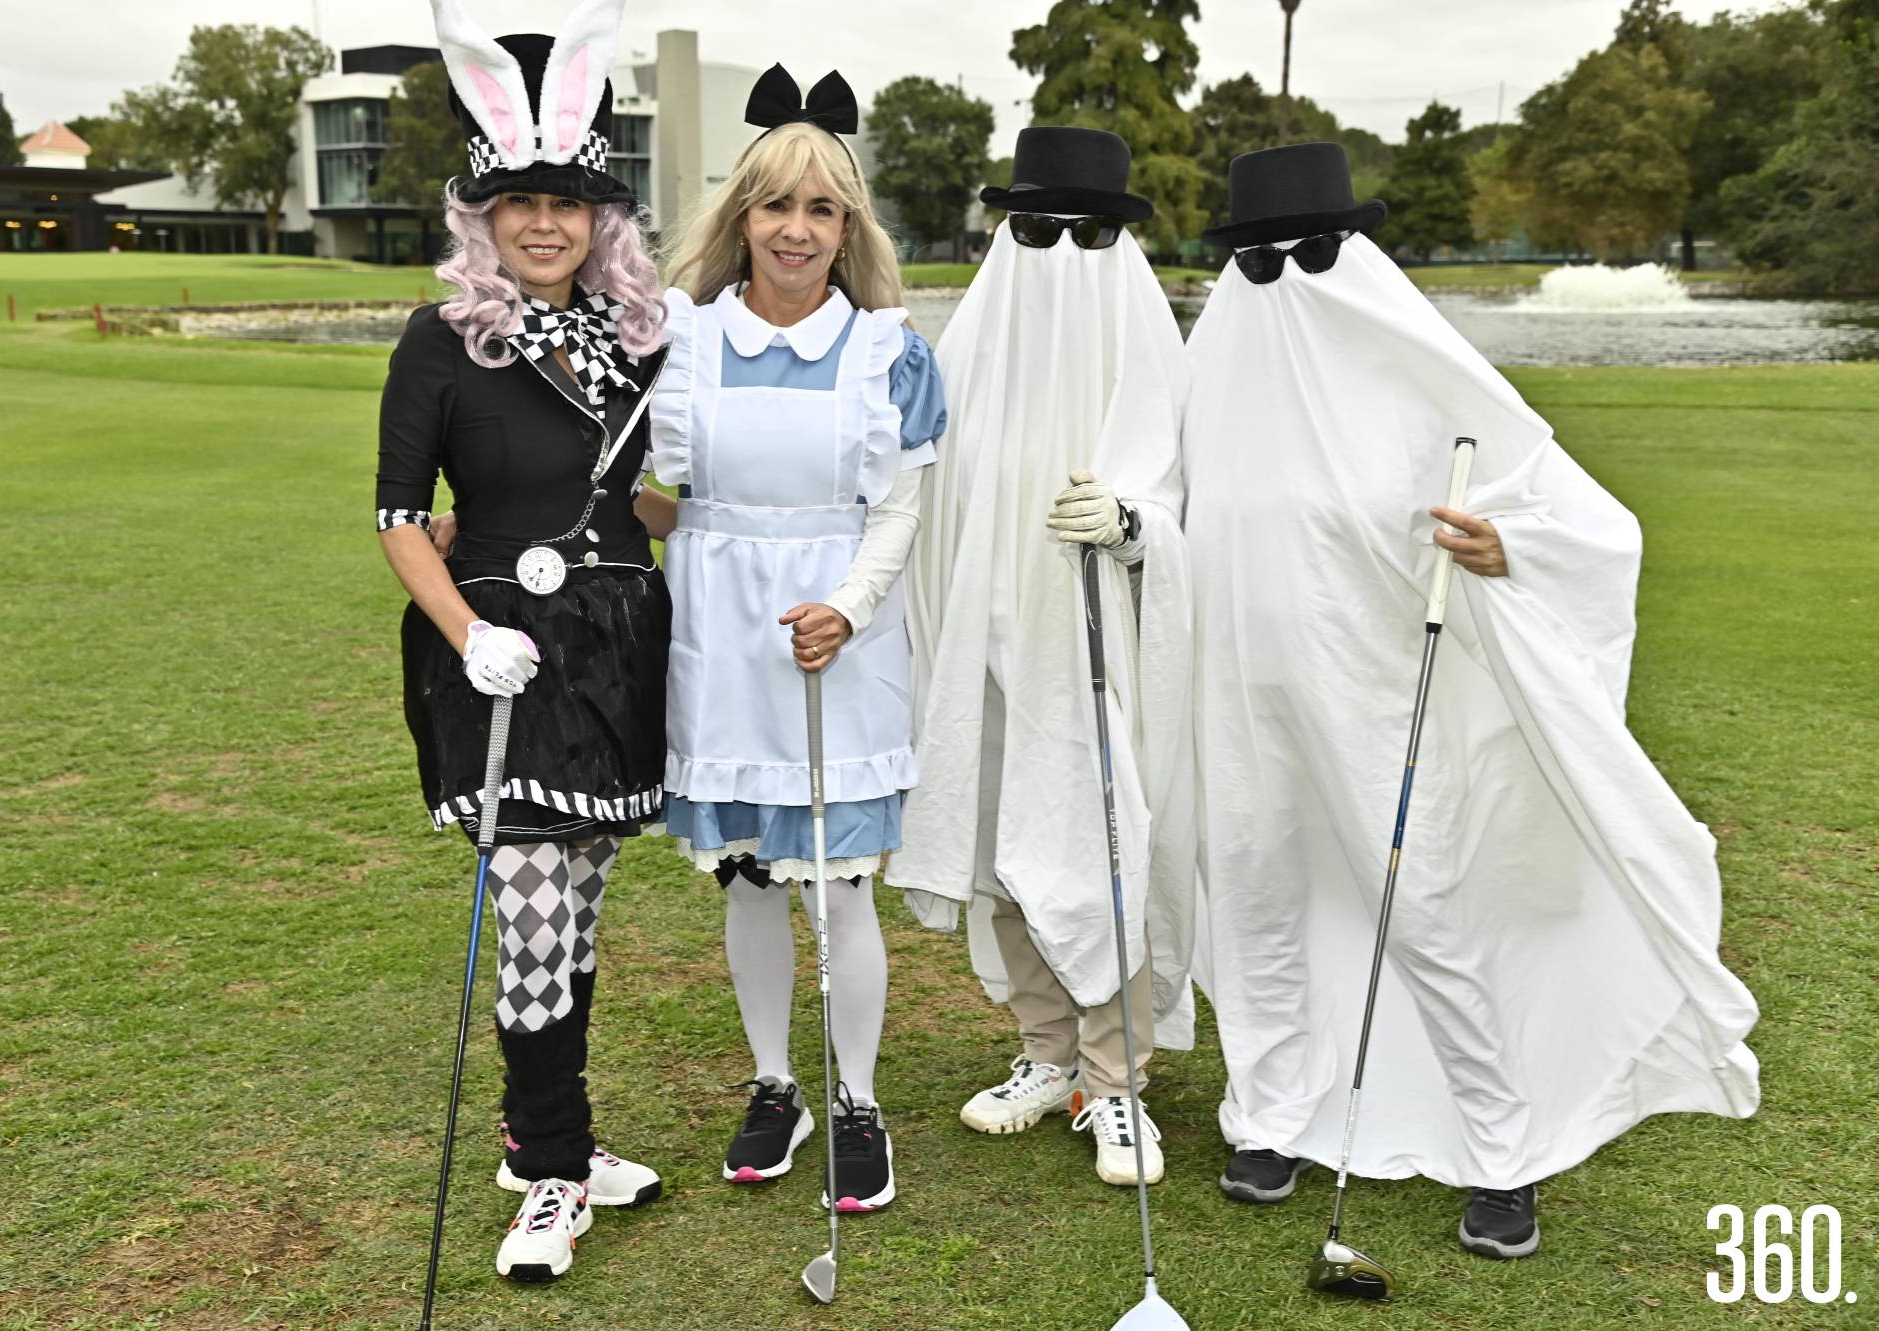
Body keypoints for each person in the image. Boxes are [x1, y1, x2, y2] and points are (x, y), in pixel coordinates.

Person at [1180, 142, 1760, 1258]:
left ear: (1348, 253)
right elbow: (1159, 503)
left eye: (1302, 252)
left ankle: (1504, 1153)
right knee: (1252, 903)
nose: (1279, 278)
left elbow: (1590, 525)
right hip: (1235, 702)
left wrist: (1510, 546)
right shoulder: (1208, 378)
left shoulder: (1418, 382)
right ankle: (1269, 1118)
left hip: (1376, 699)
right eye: (1254, 259)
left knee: (1427, 915)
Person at [376, 0, 673, 1283]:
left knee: (582, 905)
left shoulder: (635, 341)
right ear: (483, 218)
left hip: (615, 647)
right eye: (519, 203)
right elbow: (398, 519)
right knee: (533, 909)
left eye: (567, 203)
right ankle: (551, 1170)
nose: (543, 223)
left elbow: (635, 503)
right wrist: (468, 627)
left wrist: (735, 515)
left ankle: (547, 1132)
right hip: (502, 655)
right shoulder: (439, 341)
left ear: (599, 218)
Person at [650, 64, 945, 1213]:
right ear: (741, 217)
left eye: (822, 209)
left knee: (837, 885)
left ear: (846, 226)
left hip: (836, 632)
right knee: (747, 877)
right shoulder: (682, 341)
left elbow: (901, 509)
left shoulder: (889, 353)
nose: (796, 229)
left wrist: (849, 606)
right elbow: (657, 493)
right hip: (720, 635)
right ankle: (776, 1081)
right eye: (776, 205)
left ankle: (858, 1097)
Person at [887, 128, 1197, 1187]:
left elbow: (1192, 508)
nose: (1062, 249)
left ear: (1119, 239)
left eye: (1088, 229)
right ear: (1005, 231)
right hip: (987, 643)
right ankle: (1045, 1050)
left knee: (1103, 843)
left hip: (1100, 648)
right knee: (1003, 840)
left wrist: (1130, 525)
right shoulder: (967, 357)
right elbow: (916, 496)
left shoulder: (1150, 359)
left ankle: (1115, 1079)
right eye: (1037, 227)